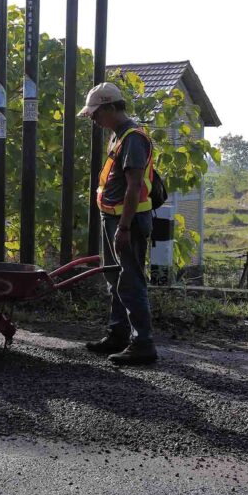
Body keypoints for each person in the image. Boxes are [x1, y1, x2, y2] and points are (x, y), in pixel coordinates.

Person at [79, 82, 159, 366]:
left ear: (111, 107)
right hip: (113, 218)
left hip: (128, 221)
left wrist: (124, 228)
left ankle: (143, 343)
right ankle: (118, 334)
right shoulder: (119, 135)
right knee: (115, 278)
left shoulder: (133, 138)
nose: (93, 118)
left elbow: (134, 186)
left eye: (96, 113)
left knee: (130, 280)